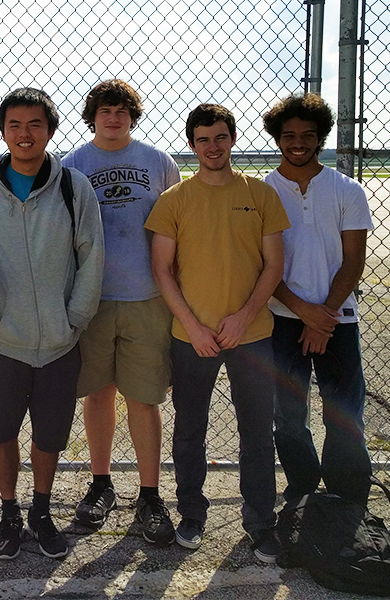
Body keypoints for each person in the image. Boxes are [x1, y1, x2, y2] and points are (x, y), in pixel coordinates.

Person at [0, 88, 105, 560]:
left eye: (35, 124)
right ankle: (9, 513)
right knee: (1, 433)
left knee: (49, 436)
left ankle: (41, 512)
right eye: (15, 125)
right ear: (3, 132)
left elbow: (92, 255)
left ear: (50, 131)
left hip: (60, 342)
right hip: (1, 340)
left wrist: (75, 317)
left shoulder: (74, 188)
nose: (25, 133)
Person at [146, 104, 290, 563]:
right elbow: (162, 270)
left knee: (257, 432)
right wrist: (193, 326)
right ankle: (192, 513)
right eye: (204, 139)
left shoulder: (260, 194)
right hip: (194, 337)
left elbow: (273, 265)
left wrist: (244, 316)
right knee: (190, 429)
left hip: (252, 335)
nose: (213, 146)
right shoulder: (174, 200)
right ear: (192, 145)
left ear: (233, 139)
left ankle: (260, 522)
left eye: (221, 137)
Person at [62, 79, 180, 545]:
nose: (113, 118)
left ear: (133, 116)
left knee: (144, 398)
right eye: (105, 111)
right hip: (93, 299)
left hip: (147, 296)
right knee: (98, 394)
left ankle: (149, 494)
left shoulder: (158, 161)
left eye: (122, 111)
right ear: (92, 117)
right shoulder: (73, 164)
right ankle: (101, 483)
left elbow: (177, 226)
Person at [262, 93, 374, 506]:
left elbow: (353, 260)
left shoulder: (346, 189)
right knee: (288, 416)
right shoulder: (262, 192)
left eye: (308, 135)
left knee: (344, 413)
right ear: (277, 138)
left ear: (321, 136)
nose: (298, 143)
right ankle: (303, 488)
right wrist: (303, 312)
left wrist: (322, 317)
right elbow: (262, 267)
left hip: (337, 319)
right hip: (282, 318)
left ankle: (349, 497)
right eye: (289, 135)